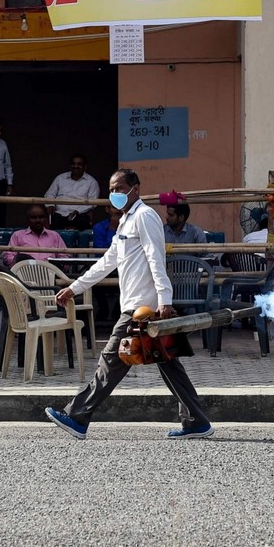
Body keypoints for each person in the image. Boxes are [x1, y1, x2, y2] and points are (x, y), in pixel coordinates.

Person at [45, 169, 213, 440]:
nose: (115, 194)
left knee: (111, 360)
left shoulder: (145, 217)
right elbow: (107, 262)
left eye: (120, 188)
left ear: (136, 188)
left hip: (142, 310)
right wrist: (75, 288)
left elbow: (156, 259)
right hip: (139, 306)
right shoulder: (125, 221)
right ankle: (196, 421)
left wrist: (165, 301)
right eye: (112, 189)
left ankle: (77, 416)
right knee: (169, 364)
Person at [45, 154, 99, 230]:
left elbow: (93, 203)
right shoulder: (60, 178)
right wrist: (50, 205)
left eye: (79, 164)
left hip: (80, 214)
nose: (75, 166)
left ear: (85, 167)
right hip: (59, 213)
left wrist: (78, 211)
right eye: (73, 164)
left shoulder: (92, 182)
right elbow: (49, 194)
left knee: (83, 223)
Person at [2, 205, 66, 266]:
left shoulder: (54, 235)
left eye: (41, 217)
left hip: (50, 273)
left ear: (45, 218)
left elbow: (64, 257)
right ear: (27, 219)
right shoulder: (17, 235)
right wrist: (20, 263)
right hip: (25, 273)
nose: (38, 220)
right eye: (33, 217)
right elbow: (8, 257)